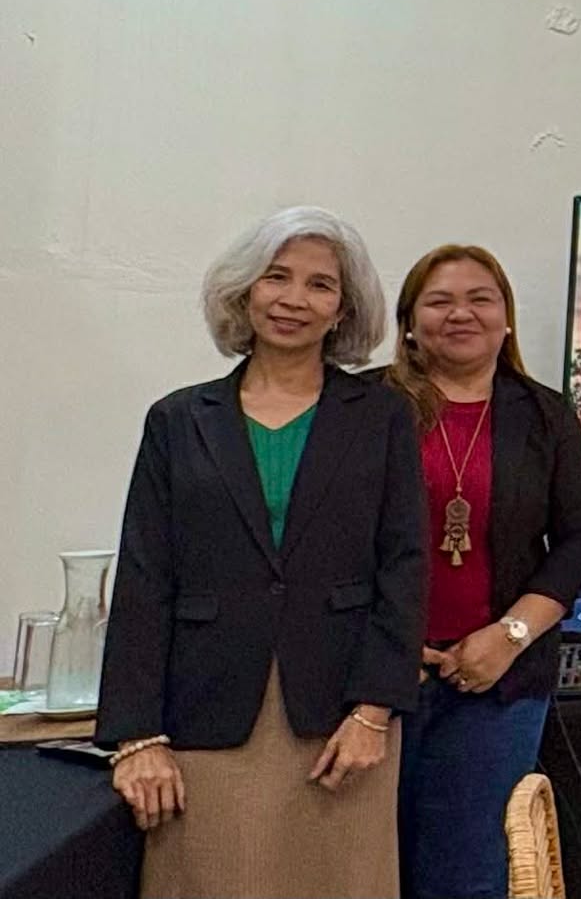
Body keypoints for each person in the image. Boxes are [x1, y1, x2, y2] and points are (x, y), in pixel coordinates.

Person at [97, 207, 426, 899]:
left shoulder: (382, 417)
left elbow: (404, 566)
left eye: (319, 285)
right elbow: (144, 578)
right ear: (244, 290)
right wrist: (136, 736)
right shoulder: (177, 420)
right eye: (277, 277)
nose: (293, 299)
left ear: (342, 310)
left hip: (342, 720)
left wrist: (375, 711)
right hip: (204, 713)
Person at [385, 245, 581, 899]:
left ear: (506, 319)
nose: (461, 313)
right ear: (409, 323)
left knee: (470, 873)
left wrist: (508, 637)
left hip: (500, 683)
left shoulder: (545, 415)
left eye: (480, 299)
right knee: (369, 867)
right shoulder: (367, 408)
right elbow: (327, 539)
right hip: (375, 679)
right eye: (439, 301)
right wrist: (388, 643)